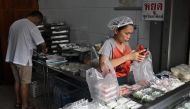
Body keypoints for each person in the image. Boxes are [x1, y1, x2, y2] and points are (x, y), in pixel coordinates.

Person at [5, 11, 47, 109]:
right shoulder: (31, 26)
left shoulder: (15, 24)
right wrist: (44, 49)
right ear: (37, 18)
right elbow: (42, 43)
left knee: (17, 81)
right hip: (23, 60)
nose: (37, 24)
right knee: (25, 83)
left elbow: (18, 39)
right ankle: (25, 106)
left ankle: (18, 102)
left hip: (12, 57)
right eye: (38, 22)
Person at [99, 16, 146, 85]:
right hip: (112, 82)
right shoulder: (109, 44)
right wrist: (128, 57)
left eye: (130, 34)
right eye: (126, 33)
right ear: (116, 31)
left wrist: (136, 57)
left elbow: (127, 62)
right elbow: (103, 67)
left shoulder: (126, 43)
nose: (129, 36)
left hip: (126, 79)